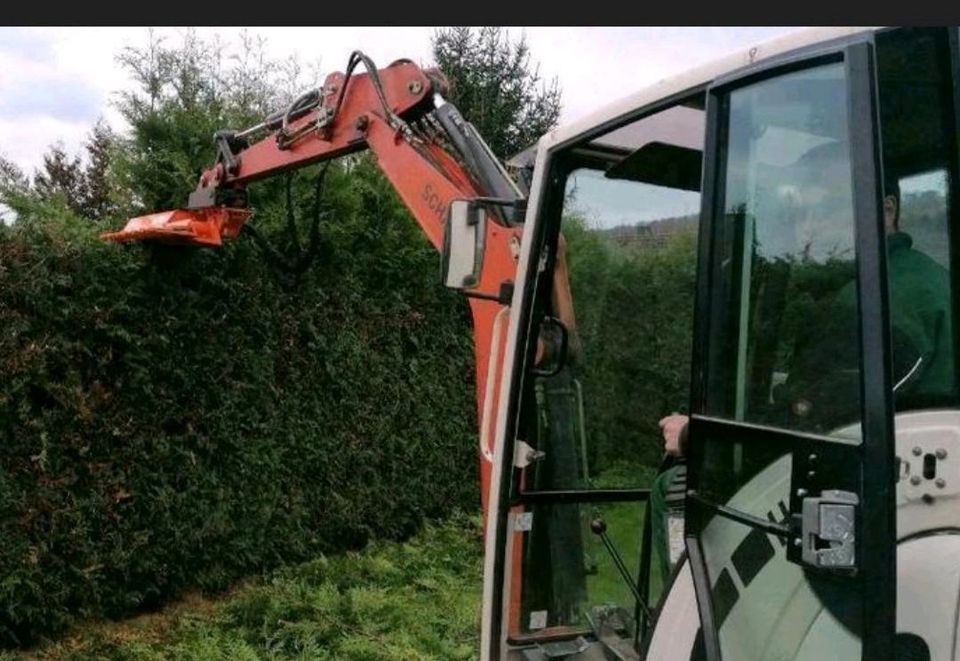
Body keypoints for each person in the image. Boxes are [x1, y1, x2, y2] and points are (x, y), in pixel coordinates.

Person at [649, 170, 954, 582]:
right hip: (914, 496)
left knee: (675, 487)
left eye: (827, 208)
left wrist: (696, 436)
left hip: (868, 496)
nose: (810, 225)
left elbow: (818, 418)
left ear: (886, 209)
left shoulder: (876, 298)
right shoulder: (930, 281)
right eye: (806, 211)